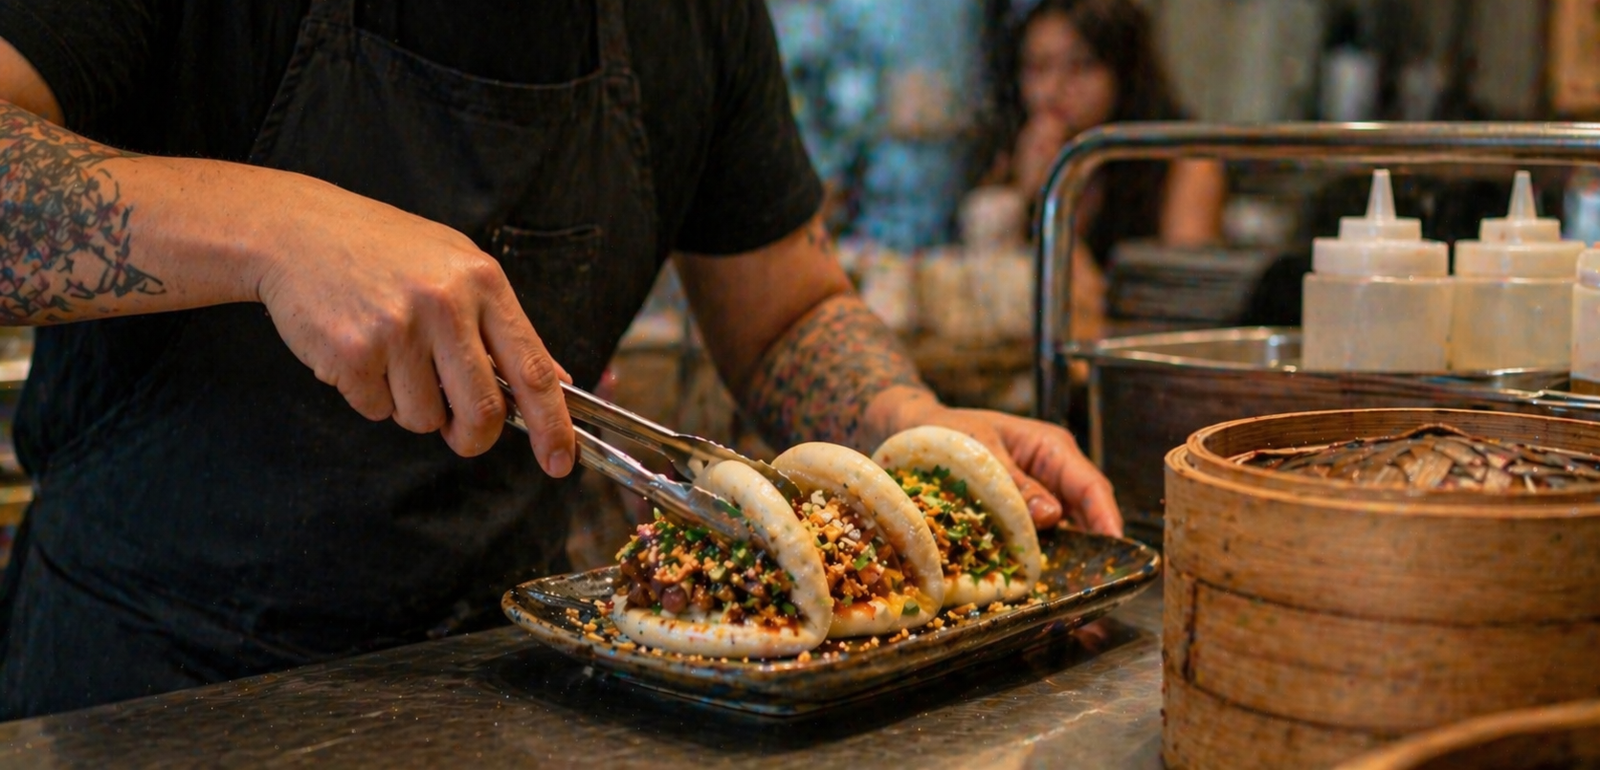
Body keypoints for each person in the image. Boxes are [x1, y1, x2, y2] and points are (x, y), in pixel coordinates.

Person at [0, 0, 1121, 718]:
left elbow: (782, 311)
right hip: (148, 688)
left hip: (508, 678)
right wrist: (273, 230)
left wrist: (902, 423)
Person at [994, 0, 1227, 267]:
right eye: (1038, 68)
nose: (1052, 89)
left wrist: (1057, 201)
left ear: (1124, 73)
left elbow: (1183, 290)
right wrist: (1022, 198)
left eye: (1081, 67)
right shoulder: (1015, 148)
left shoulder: (1184, 157)